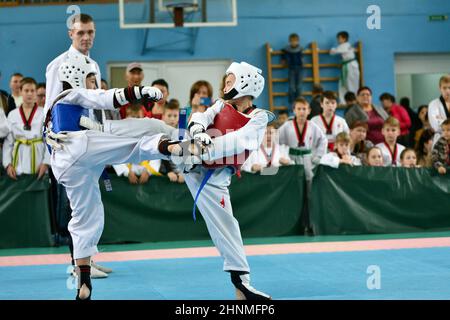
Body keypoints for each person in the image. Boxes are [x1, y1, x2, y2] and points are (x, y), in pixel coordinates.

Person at [44, 52, 185, 300]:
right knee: (133, 145)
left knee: (88, 217)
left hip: (71, 166)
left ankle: (83, 280)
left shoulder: (72, 109)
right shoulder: (71, 94)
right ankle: (169, 147)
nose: (93, 84)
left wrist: (154, 125)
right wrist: (139, 92)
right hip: (77, 147)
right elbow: (106, 97)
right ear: (75, 76)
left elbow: (106, 128)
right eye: (90, 79)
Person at [182, 61, 272, 300]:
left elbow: (240, 141)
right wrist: (199, 132)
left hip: (214, 176)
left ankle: (241, 286)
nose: (225, 86)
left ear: (245, 83)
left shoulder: (259, 117)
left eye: (230, 81)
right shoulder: (220, 104)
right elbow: (201, 115)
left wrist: (203, 149)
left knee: (226, 227)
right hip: (191, 160)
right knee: (154, 135)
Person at [43, 13, 111, 279]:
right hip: (69, 144)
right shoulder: (58, 65)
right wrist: (53, 146)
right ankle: (77, 264)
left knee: (92, 204)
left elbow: (96, 103)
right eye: (81, 32)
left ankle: (88, 259)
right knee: (78, 207)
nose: (86, 37)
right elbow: (51, 106)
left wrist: (103, 134)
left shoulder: (93, 63)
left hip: (92, 139)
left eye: (90, 32)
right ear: (70, 33)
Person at [2, 77, 49, 179]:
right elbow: (8, 142)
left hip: (39, 159)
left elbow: (49, 140)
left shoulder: (44, 113)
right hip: (18, 160)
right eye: (26, 90)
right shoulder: (12, 115)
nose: (29, 94)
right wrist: (8, 164)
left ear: (36, 93)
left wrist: (46, 163)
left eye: (32, 91)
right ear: (20, 92)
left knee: (39, 192)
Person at [330, 31, 360, 104]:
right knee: (345, 84)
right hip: (349, 65)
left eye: (339, 38)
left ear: (344, 38)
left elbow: (332, 52)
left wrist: (332, 49)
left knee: (350, 84)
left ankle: (352, 101)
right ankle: (345, 101)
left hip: (350, 66)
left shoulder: (344, 45)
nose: (338, 40)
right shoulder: (348, 45)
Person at [281, 33, 303, 105]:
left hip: (299, 68)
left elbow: (301, 56)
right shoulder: (287, 49)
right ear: (289, 41)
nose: (294, 42)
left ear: (298, 41)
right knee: (291, 87)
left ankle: (299, 101)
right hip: (291, 69)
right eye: (292, 41)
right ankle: (292, 102)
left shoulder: (300, 49)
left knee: (299, 86)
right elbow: (283, 53)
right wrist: (283, 60)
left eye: (295, 41)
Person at [428, 75, 450, 147]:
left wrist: (442, 120)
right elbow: (435, 126)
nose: (447, 91)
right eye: (444, 88)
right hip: (440, 141)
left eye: (449, 87)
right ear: (440, 88)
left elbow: (441, 124)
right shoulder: (433, 104)